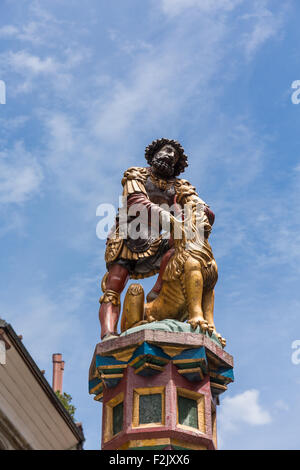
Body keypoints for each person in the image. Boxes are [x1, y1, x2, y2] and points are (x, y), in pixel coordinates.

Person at [99, 138, 215, 340]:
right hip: (129, 236)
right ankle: (108, 333)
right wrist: (174, 222)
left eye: (175, 156)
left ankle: (157, 292)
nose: (170, 156)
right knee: (114, 286)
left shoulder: (179, 185)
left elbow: (199, 209)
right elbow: (137, 203)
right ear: (154, 154)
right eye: (167, 151)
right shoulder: (136, 174)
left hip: (157, 239)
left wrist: (197, 210)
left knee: (183, 247)